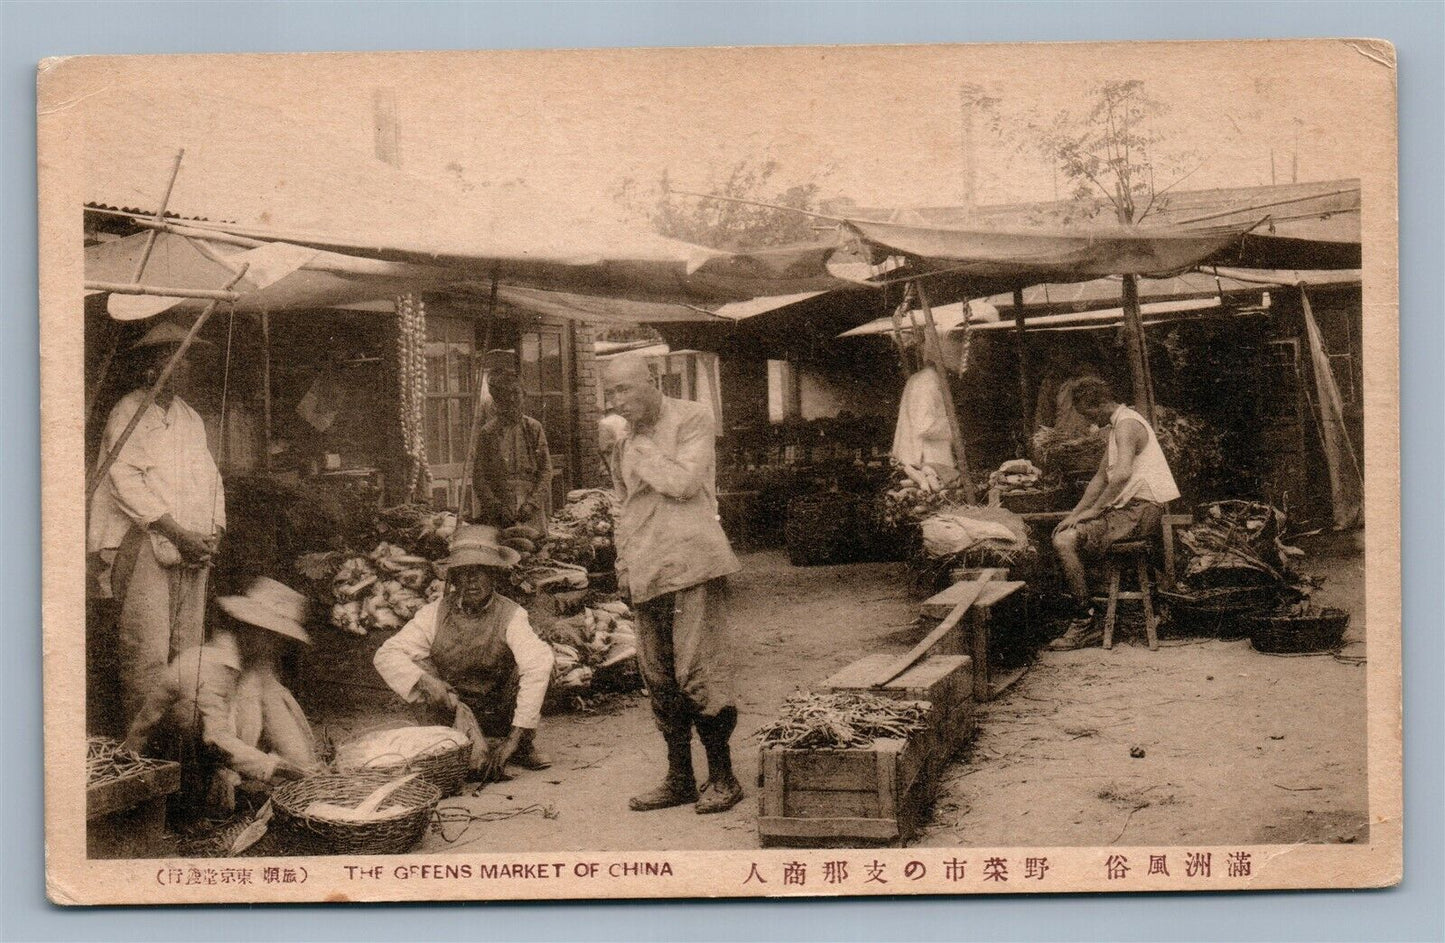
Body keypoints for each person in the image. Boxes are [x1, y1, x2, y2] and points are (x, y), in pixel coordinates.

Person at [602, 354, 744, 815]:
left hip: (691, 564)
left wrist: (638, 446)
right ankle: (680, 777)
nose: (617, 401)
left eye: (624, 390)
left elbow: (683, 483)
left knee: (698, 673)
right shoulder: (623, 441)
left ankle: (723, 777)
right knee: (660, 679)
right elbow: (625, 508)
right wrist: (624, 565)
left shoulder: (693, 417)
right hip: (647, 570)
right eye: (611, 393)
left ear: (653, 381)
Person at [89, 321, 226, 726]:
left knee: (187, 650)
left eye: (185, 359)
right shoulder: (128, 412)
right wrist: (177, 533)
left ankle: (184, 740)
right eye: (171, 358)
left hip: (192, 546)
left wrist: (212, 531)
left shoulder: (189, 417)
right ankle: (145, 747)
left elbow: (211, 478)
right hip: (145, 542)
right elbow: (124, 481)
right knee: (147, 650)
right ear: (151, 365)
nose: (179, 368)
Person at [123, 577, 319, 818]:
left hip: (213, 764)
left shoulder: (256, 668)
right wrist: (273, 766)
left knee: (268, 700)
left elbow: (281, 723)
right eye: (272, 637)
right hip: (158, 766)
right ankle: (179, 814)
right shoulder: (205, 664)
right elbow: (215, 738)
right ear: (251, 631)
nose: (278, 647)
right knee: (189, 716)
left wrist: (306, 770)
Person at [373, 525, 554, 782]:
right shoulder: (434, 613)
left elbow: (537, 665)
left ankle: (521, 744)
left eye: (480, 572)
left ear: (494, 576)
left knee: (540, 660)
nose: (472, 581)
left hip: (499, 708)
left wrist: (513, 740)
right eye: (464, 573)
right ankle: (451, 747)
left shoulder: (511, 615)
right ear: (454, 579)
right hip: (452, 707)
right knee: (415, 665)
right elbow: (386, 654)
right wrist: (427, 682)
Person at [1049, 377, 1181, 650]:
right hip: (1129, 510)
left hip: (1141, 511)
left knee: (1064, 542)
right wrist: (1074, 513)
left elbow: (1120, 476)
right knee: (1067, 531)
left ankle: (1085, 621)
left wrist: (1095, 511)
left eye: (1087, 413)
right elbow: (1100, 478)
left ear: (1096, 404)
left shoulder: (1127, 426)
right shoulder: (1116, 426)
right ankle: (1091, 611)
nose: (1088, 421)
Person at [473, 366, 552, 535]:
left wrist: (532, 503)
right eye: (506, 395)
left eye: (517, 394)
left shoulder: (533, 428)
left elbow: (545, 470)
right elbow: (479, 477)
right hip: (500, 509)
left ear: (524, 396)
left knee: (535, 550)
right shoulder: (488, 432)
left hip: (530, 509)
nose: (512, 400)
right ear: (497, 400)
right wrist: (495, 506)